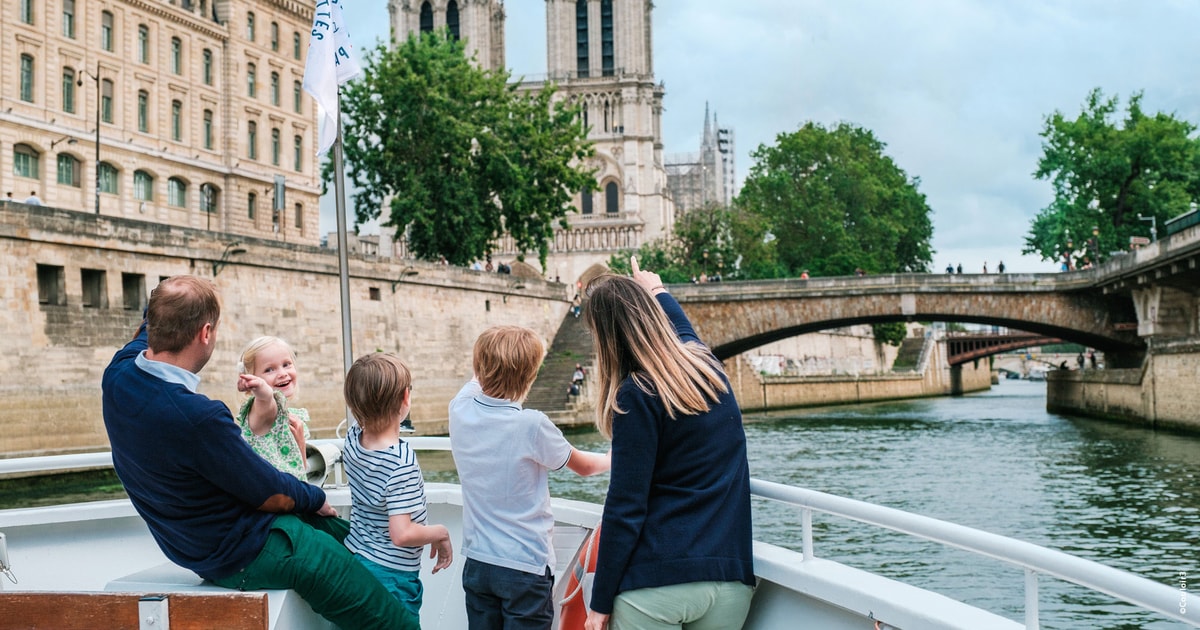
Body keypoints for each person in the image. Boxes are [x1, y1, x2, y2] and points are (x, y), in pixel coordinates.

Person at [101, 276, 419, 629]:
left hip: (193, 542)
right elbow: (270, 492)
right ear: (206, 333)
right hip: (240, 550)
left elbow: (145, 327)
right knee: (374, 604)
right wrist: (314, 497)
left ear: (157, 323)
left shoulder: (119, 372)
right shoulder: (197, 417)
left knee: (349, 540)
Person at [582, 259, 756, 630]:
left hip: (656, 588)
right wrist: (656, 289)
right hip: (731, 582)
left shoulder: (636, 395)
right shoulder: (709, 368)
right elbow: (682, 330)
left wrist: (599, 604)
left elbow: (625, 508)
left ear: (606, 339)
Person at [449, 325, 611, 630]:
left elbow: (475, 379)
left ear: (477, 367)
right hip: (524, 567)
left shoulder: (459, 410)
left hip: (478, 564)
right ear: (531, 377)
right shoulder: (532, 425)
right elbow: (584, 467)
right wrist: (610, 458)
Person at [342, 352, 453, 618]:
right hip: (391, 577)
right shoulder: (401, 462)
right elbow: (402, 534)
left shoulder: (353, 438)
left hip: (355, 559)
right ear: (405, 398)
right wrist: (441, 532)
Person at [235, 336, 309, 480]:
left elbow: (300, 470)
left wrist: (300, 444)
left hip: (292, 496)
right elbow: (265, 397)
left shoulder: (291, 417)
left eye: (287, 364)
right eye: (269, 370)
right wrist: (258, 386)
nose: (282, 373)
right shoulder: (262, 411)